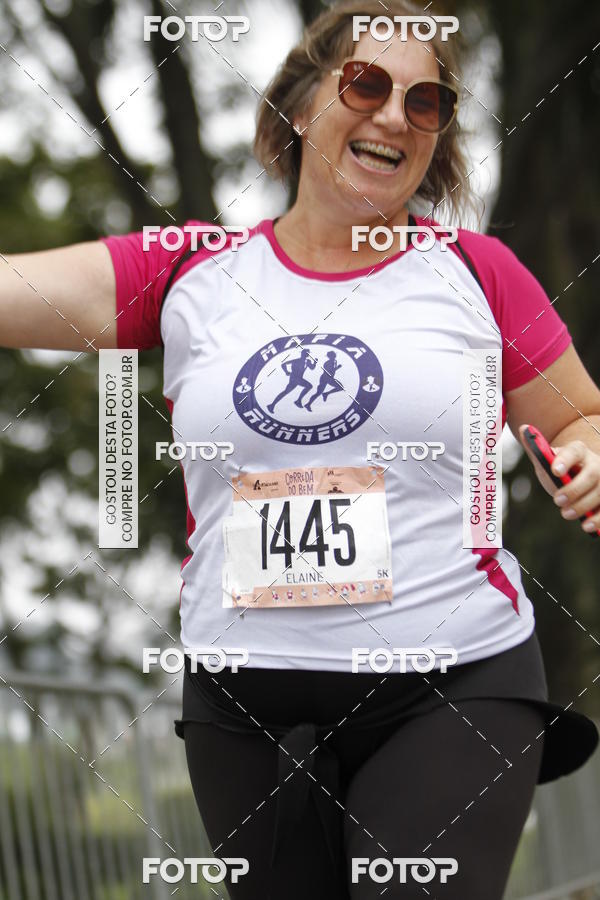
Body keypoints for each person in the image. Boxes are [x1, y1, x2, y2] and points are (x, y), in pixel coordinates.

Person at [1, 0, 599, 897]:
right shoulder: (189, 271)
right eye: (365, 85)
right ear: (297, 106)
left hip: (453, 681)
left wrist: (590, 453)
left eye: (426, 102)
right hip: (243, 701)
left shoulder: (476, 273)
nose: (395, 115)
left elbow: (581, 416)